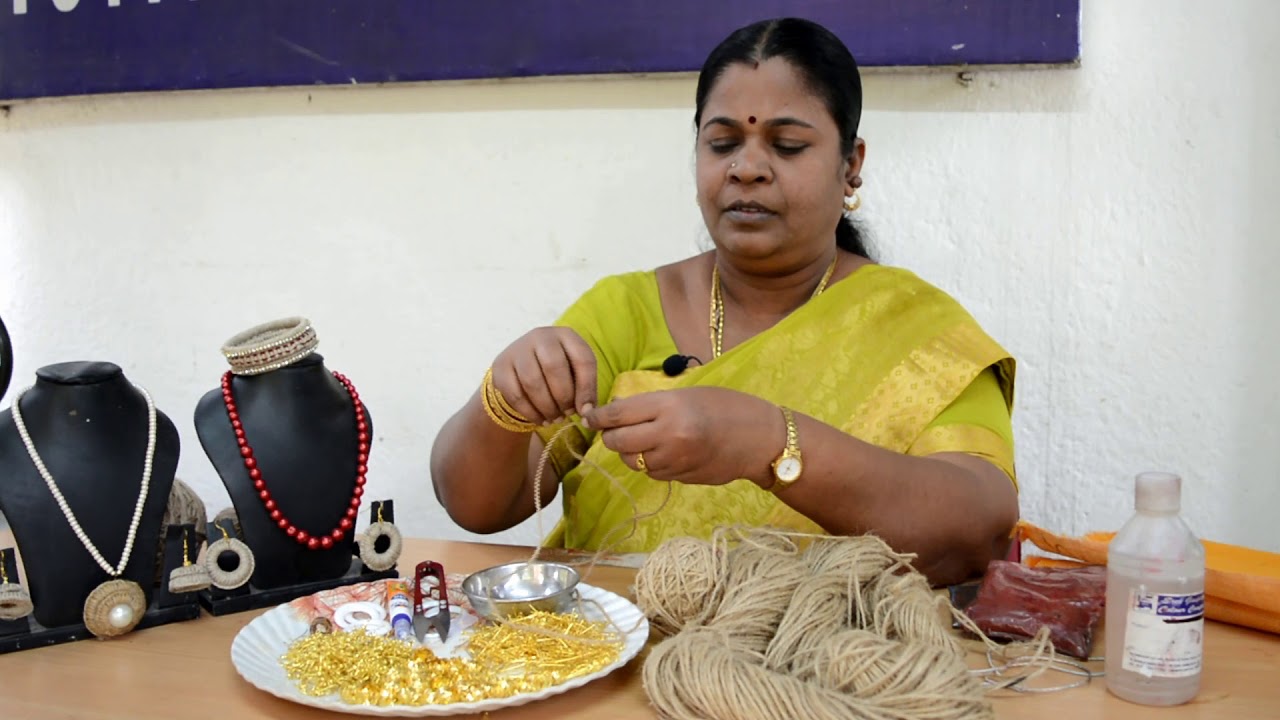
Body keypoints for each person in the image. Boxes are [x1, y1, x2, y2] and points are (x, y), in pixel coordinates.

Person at [431, 17, 1018, 587]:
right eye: (722, 143)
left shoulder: (915, 330)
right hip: (612, 658)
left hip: (821, 667)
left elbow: (980, 528)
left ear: (851, 166)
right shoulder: (625, 310)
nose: (746, 169)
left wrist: (769, 442)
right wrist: (503, 402)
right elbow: (477, 506)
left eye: (787, 146)